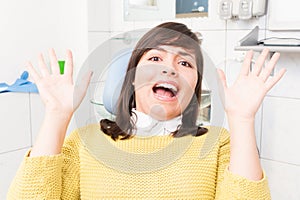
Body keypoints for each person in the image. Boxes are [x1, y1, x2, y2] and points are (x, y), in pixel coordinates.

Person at [7, 22, 285, 199]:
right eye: (155, 57)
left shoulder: (217, 143)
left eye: (185, 64)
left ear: (195, 89)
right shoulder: (85, 142)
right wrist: (56, 115)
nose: (169, 68)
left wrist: (242, 120)